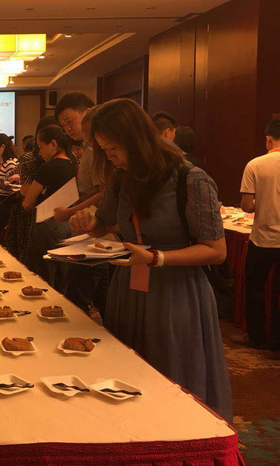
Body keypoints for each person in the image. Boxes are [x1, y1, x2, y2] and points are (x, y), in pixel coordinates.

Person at [70, 98, 232, 421]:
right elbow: (104, 224)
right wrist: (88, 222)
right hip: (128, 288)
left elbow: (216, 250)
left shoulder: (189, 178)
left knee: (172, 378)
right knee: (124, 379)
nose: (109, 156)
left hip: (175, 291)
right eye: (104, 149)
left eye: (114, 147)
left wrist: (157, 257)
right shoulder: (122, 176)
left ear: (137, 139)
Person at [52, 96, 111, 318]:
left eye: (70, 121)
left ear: (87, 113)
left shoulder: (97, 149)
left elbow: (103, 193)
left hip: (95, 229)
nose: (68, 129)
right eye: (64, 125)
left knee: (78, 296)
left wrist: (69, 211)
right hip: (91, 227)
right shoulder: (88, 148)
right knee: (100, 293)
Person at [231, 119, 280, 358]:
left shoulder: (255, 164)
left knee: (255, 287)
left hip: (263, 239)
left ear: (268, 139)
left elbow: (246, 205)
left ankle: (256, 336)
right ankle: (277, 343)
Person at [23, 125, 77, 289]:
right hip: (68, 226)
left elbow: (27, 202)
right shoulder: (74, 164)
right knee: (62, 275)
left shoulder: (47, 168)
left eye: (40, 147)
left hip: (47, 226)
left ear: (53, 144)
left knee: (41, 276)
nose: (40, 153)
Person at [5, 133, 43, 262]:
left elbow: (25, 191)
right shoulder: (69, 160)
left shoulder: (27, 159)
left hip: (27, 206)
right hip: (40, 210)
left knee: (24, 242)